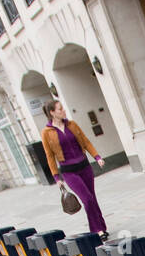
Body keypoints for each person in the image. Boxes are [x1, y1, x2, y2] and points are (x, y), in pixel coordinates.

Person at [40, 99, 109, 239]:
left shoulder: (72, 124)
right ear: (52, 112)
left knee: (92, 198)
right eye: (60, 109)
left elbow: (85, 141)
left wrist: (97, 157)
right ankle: (96, 230)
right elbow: (50, 156)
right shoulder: (46, 132)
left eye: (63, 108)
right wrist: (56, 178)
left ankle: (101, 226)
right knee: (87, 199)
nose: (63, 111)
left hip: (84, 166)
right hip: (69, 171)